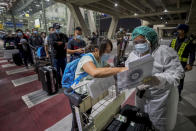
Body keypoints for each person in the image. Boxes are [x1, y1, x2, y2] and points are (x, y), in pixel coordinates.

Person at [125, 26, 184, 131]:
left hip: (161, 98)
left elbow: (177, 74)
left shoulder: (165, 52)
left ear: (151, 40)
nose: (139, 45)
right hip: (141, 96)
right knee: (142, 121)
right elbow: (128, 69)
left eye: (142, 41)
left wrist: (156, 79)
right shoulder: (133, 54)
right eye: (136, 42)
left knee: (159, 124)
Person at [70, 39, 128, 131]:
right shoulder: (87, 58)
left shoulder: (102, 58)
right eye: (106, 51)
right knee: (79, 122)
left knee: (86, 117)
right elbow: (94, 72)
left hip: (90, 91)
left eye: (109, 51)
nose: (108, 54)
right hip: (80, 94)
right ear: (96, 50)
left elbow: (108, 68)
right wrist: (119, 69)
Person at [170, 24, 195, 100]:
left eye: (178, 30)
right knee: (170, 78)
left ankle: (178, 94)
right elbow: (167, 51)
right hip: (171, 64)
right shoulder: (174, 40)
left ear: (183, 31)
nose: (177, 31)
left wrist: (190, 64)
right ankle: (170, 93)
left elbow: (192, 54)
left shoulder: (189, 42)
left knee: (180, 80)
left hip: (182, 64)